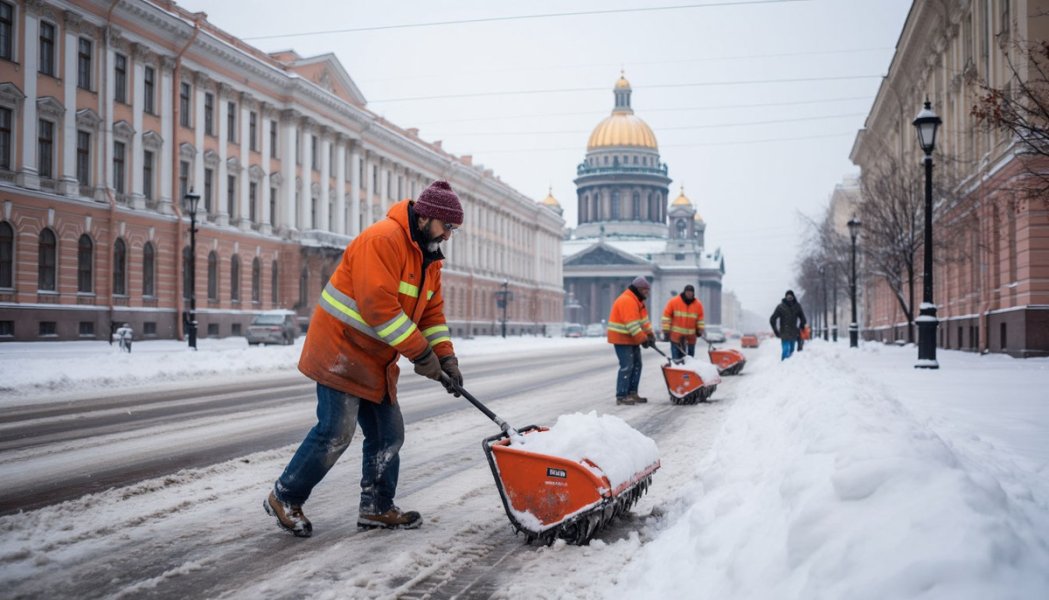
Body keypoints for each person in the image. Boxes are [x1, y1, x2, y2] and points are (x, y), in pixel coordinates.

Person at [265, 180, 465, 538]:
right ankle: (285, 496)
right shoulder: (383, 240)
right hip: (340, 350)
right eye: (447, 226)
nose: (449, 235)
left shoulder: (429, 258)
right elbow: (379, 308)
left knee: (389, 434)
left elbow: (431, 315)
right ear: (426, 217)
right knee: (335, 432)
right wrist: (422, 354)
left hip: (375, 358)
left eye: (453, 229)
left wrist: (446, 358)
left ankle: (377, 507)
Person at [607, 276, 655, 405]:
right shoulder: (627, 300)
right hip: (621, 338)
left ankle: (632, 393)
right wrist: (643, 339)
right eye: (645, 290)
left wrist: (650, 335)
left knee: (637, 365)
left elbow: (644, 321)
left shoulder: (638, 301)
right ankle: (622, 395)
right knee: (627, 367)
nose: (647, 293)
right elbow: (632, 324)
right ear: (638, 289)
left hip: (631, 338)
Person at [660, 284, 705, 360]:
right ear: (684, 292)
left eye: (691, 292)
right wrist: (666, 330)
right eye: (688, 292)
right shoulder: (674, 302)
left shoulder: (698, 305)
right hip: (676, 337)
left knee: (690, 360)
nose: (689, 294)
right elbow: (666, 317)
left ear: (693, 293)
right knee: (676, 359)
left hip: (691, 338)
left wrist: (700, 330)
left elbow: (700, 319)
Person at [770, 290, 807, 360]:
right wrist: (776, 331)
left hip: (793, 333)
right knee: (785, 350)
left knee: (792, 351)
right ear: (785, 297)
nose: (789, 298)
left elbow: (803, 318)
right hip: (784, 333)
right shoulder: (781, 307)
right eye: (788, 297)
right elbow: (772, 319)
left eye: (791, 297)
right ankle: (784, 365)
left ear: (793, 297)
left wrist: (802, 325)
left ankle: (789, 365)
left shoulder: (797, 306)